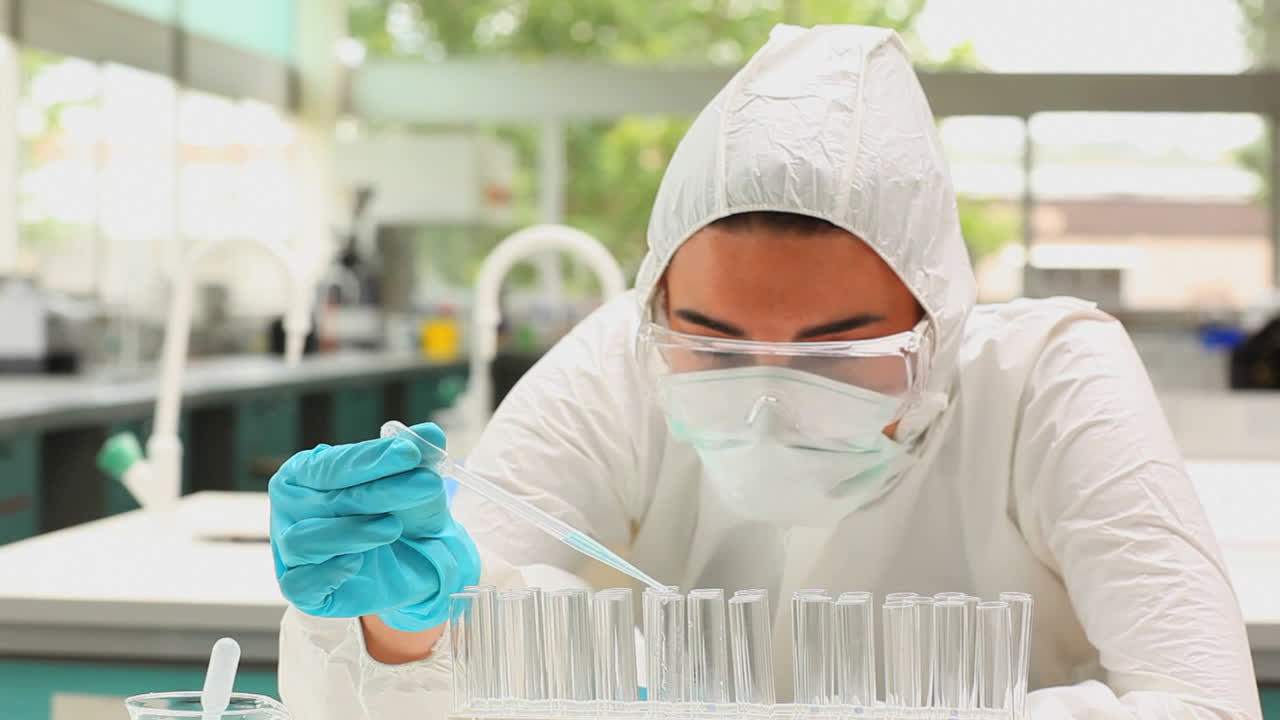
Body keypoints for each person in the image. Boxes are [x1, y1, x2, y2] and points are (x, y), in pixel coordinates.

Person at [268, 24, 1261, 720]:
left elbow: (1201, 704)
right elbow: (427, 650)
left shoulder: (1045, 379)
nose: (768, 394)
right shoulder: (621, 360)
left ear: (935, 321)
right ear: (660, 306)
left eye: (836, 349)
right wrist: (396, 621)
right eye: (713, 342)